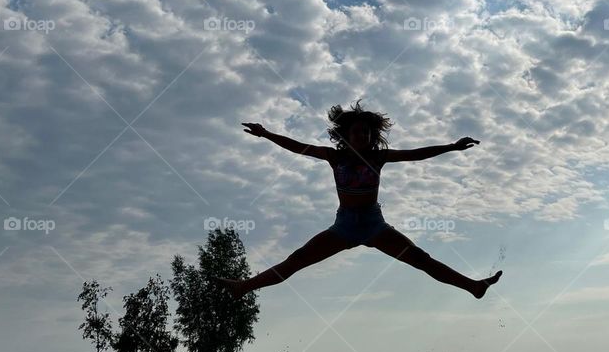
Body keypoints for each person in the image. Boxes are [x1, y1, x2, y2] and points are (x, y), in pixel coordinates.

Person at [215, 99, 503, 300]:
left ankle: (473, 287)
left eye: (365, 132)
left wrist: (451, 147)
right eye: (356, 132)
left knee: (420, 260)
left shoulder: (378, 157)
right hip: (344, 226)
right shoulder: (333, 156)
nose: (361, 136)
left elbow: (415, 154)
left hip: (373, 224)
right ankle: (244, 287)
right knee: (297, 260)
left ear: (371, 135)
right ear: (346, 135)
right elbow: (298, 147)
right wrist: (265, 134)